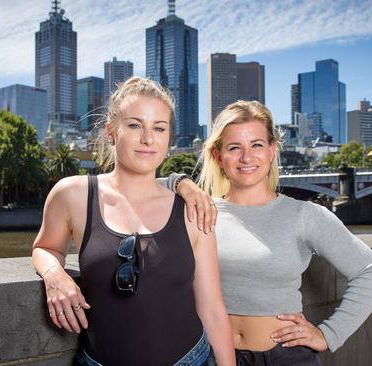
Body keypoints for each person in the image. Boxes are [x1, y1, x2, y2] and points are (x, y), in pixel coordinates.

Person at [32, 77, 235, 366]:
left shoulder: (192, 209)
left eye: (159, 128)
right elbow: (45, 248)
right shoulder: (72, 195)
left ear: (169, 137)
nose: (148, 139)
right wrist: (54, 275)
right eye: (135, 125)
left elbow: (213, 310)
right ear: (111, 131)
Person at [171, 100, 372, 365]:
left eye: (257, 145)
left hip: (286, 358)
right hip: (213, 358)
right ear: (218, 155)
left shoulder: (304, 215)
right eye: (234, 147)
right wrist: (180, 183)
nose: (246, 157)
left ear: (272, 150)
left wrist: (328, 333)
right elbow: (135, 187)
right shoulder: (200, 211)